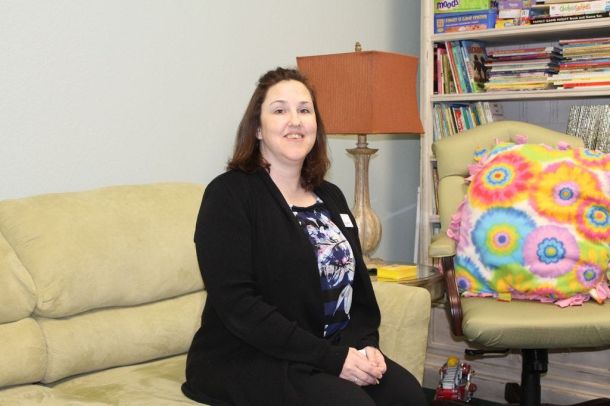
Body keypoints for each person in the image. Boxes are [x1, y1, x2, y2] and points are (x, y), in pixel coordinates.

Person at [182, 67, 427, 406]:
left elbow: (358, 289)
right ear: (257, 128)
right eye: (279, 110)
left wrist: (365, 344)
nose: (295, 121)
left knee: (408, 396)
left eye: (304, 110)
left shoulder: (331, 196)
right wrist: (331, 359)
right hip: (247, 356)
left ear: (316, 125)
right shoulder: (229, 195)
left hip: (324, 349)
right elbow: (239, 306)